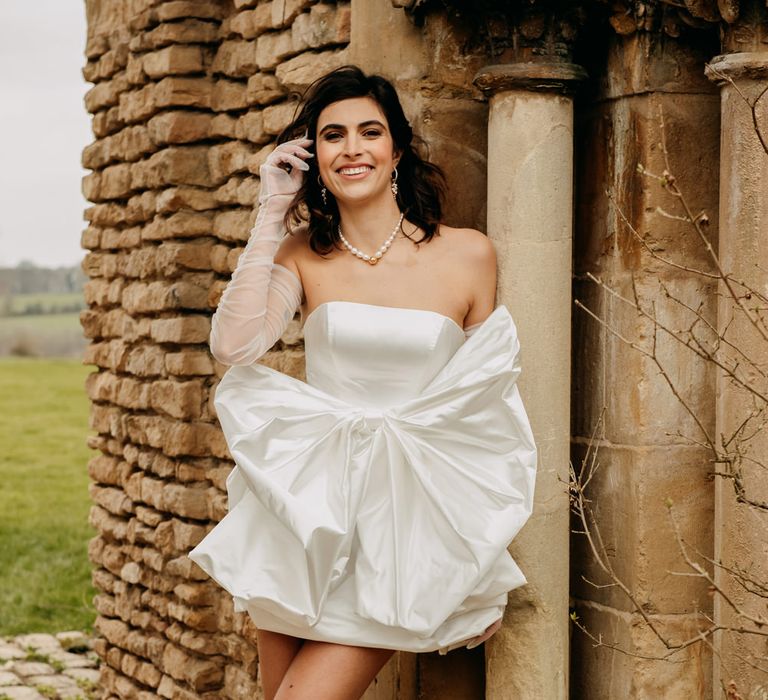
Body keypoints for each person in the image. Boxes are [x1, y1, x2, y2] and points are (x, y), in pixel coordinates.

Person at [188, 65, 537, 700]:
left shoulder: (469, 254)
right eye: (332, 135)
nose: (352, 148)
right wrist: (271, 210)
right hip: (307, 507)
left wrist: (477, 553)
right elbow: (233, 346)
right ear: (313, 154)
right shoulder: (300, 252)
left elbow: (486, 409)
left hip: (401, 522)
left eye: (369, 132)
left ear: (397, 149)